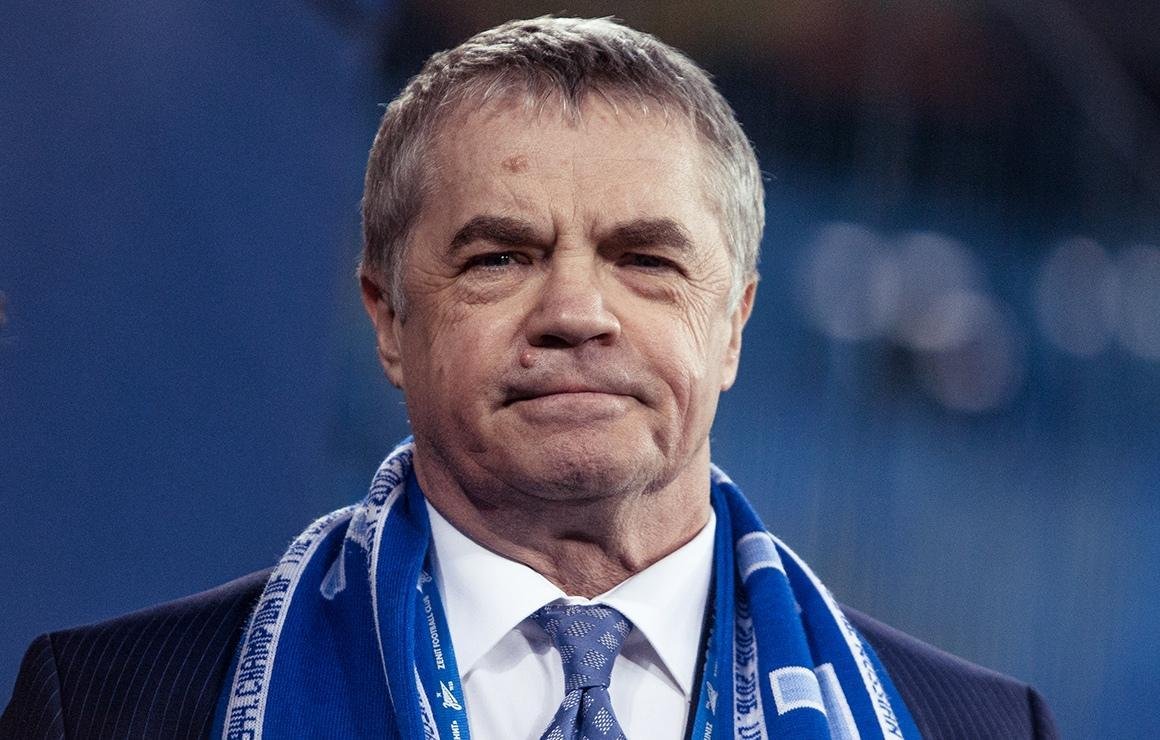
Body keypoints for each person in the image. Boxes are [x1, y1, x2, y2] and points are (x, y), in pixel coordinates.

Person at [2, 16, 1057, 740]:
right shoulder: (105, 707)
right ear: (387, 318)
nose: (576, 313)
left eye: (645, 259)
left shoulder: (979, 727)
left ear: (733, 324)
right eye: (500, 257)